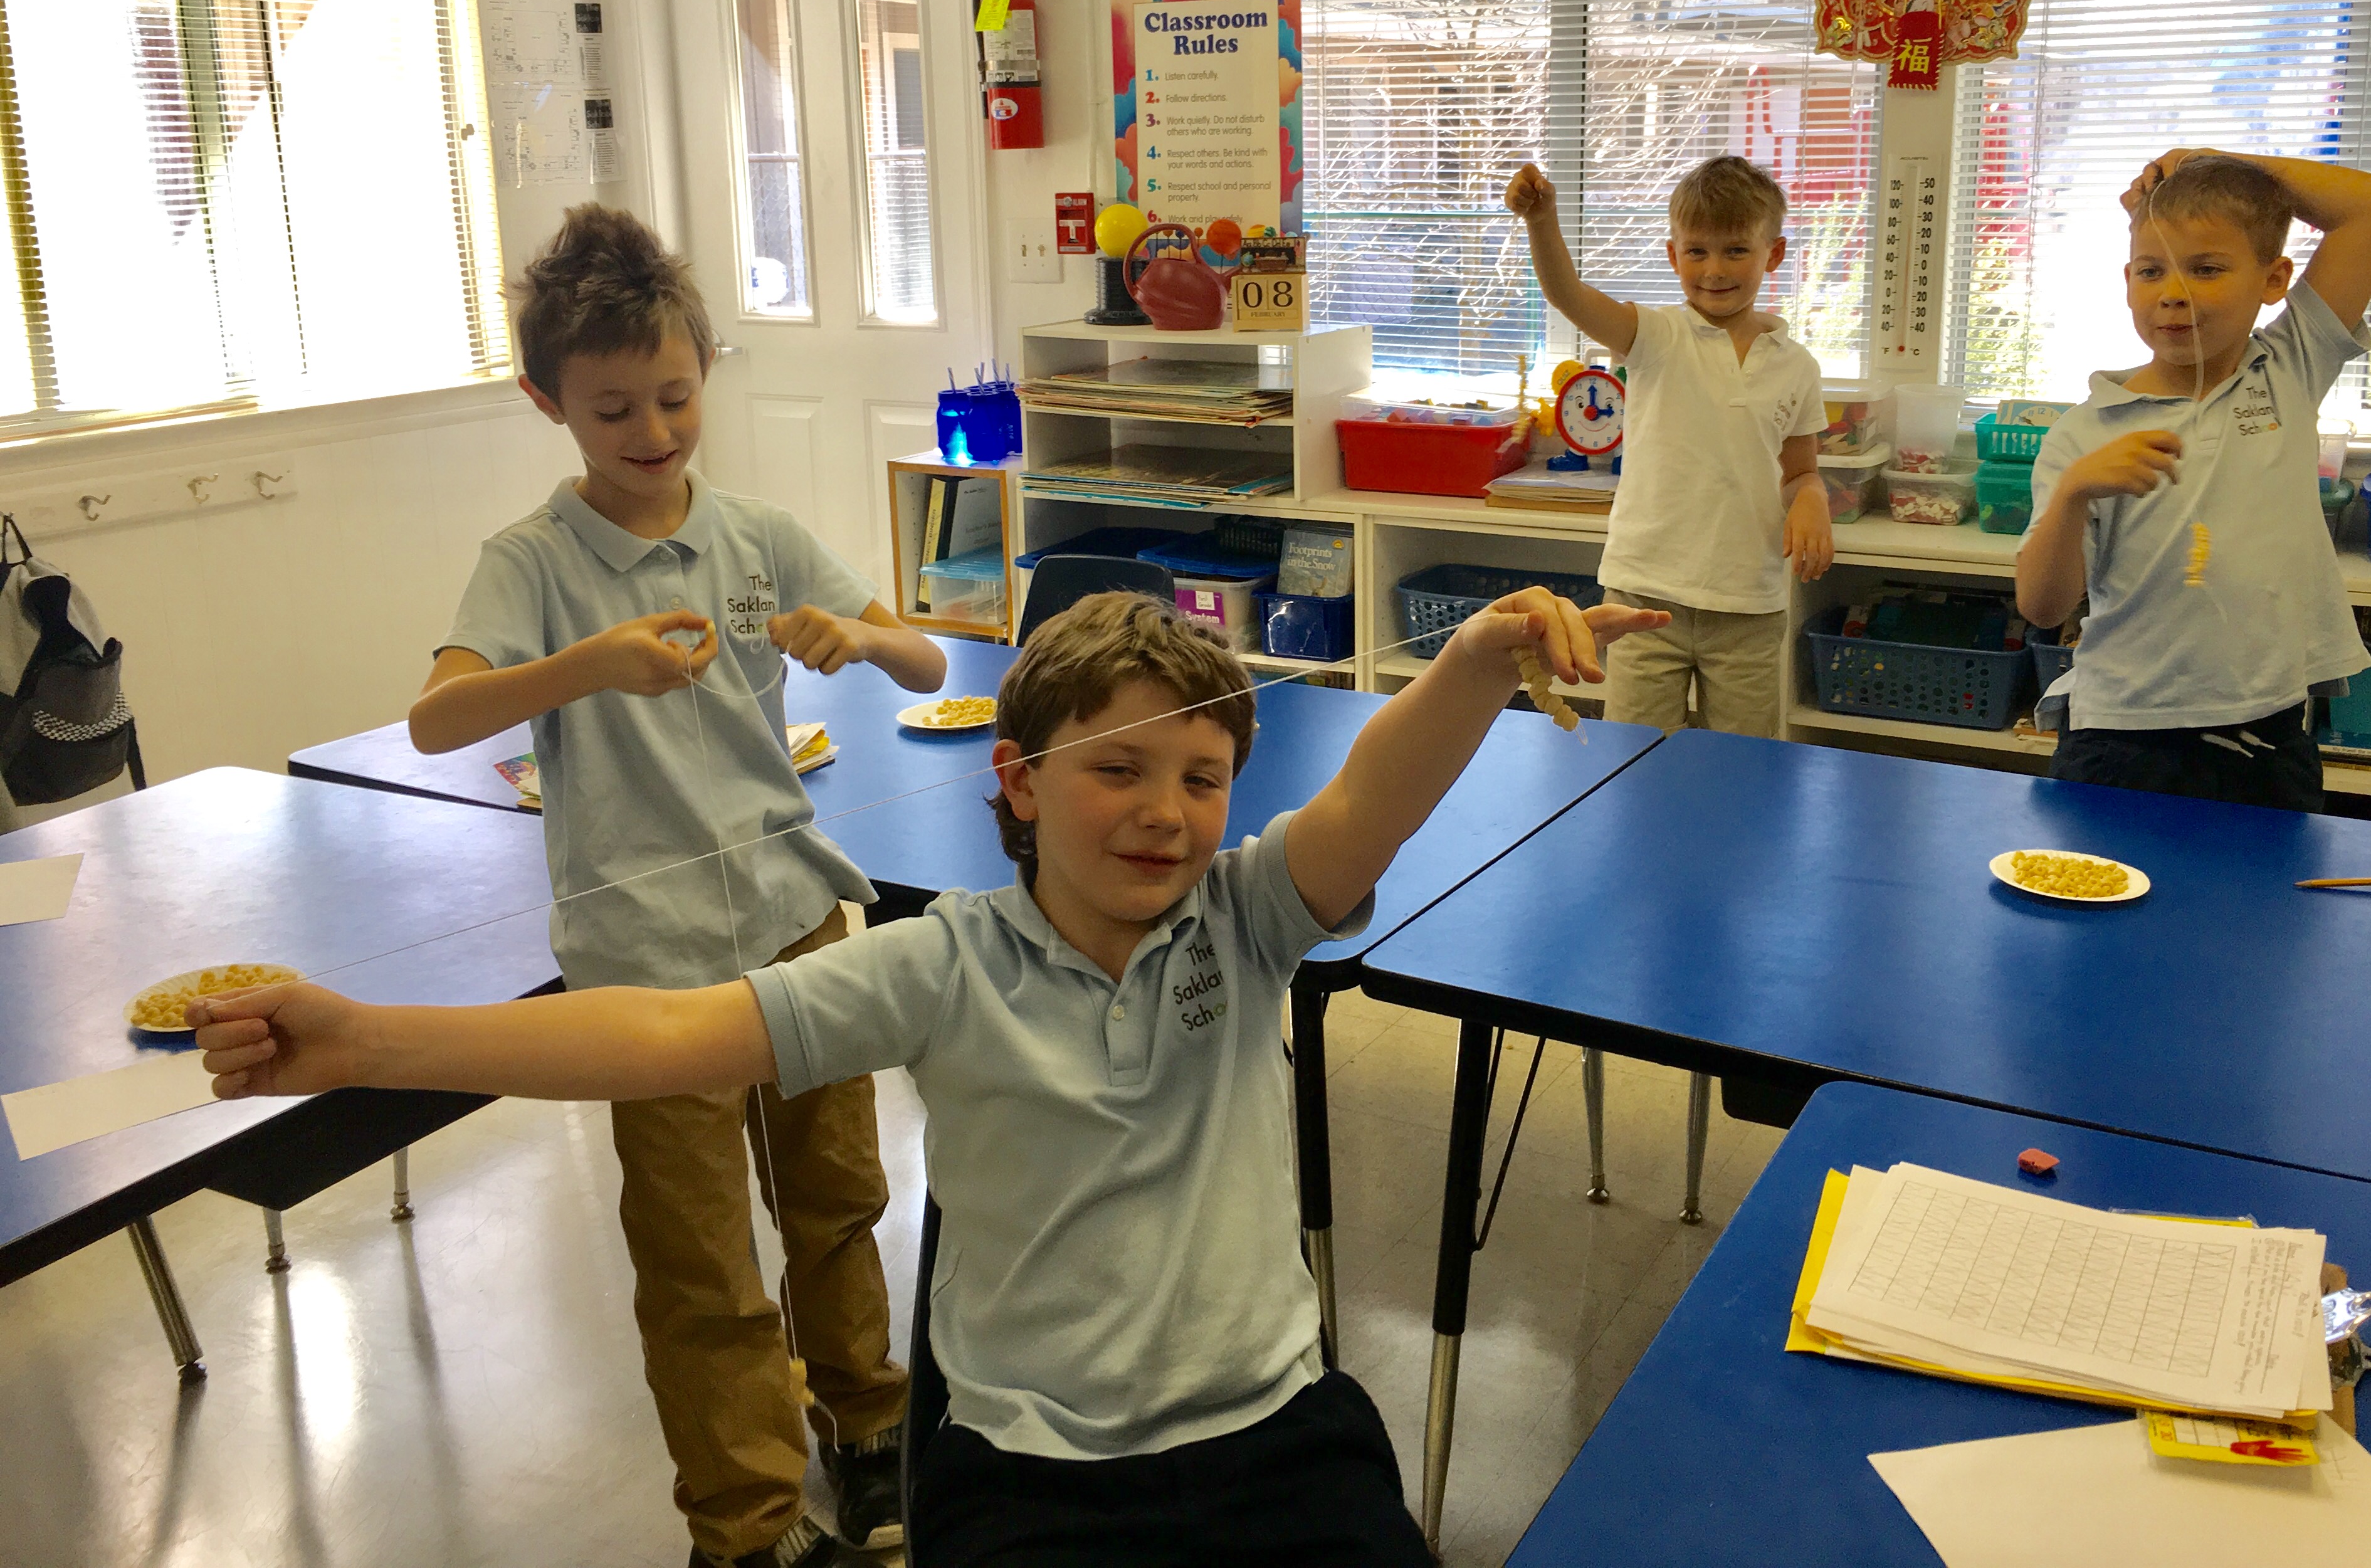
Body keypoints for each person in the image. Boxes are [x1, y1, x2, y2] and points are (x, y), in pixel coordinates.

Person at [193, 587, 1665, 1567]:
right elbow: (668, 1036)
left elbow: (1375, 795)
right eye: (1119, 769)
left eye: (1202, 779)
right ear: (1018, 779)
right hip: (1034, 1480)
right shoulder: (942, 963)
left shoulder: (1250, 915)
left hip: (1276, 1438)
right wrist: (373, 1042)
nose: (1165, 813)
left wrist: (1476, 661)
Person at [409, 204, 947, 1567]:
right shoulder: (531, 564)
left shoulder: (756, 533)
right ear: (546, 402)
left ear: (706, 368)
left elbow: (929, 662)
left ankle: (868, 1428)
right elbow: (437, 718)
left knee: (838, 1200)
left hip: (797, 927)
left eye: (673, 395)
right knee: (699, 1256)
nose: (651, 431)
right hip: (643, 965)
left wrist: (860, 636)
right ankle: (746, 1521)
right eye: (612, 410)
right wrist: (586, 665)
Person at [2016, 149, 2371, 809]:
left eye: (2207, 269)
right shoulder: (2085, 432)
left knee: (2267, 881)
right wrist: (2074, 494)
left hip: (2269, 732)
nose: (2173, 292)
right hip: (2123, 737)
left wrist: (2212, 162)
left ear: (2274, 279)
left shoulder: (2288, 368)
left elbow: (2366, 205)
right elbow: (2043, 608)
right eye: (2151, 271)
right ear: (2128, 281)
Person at [1505, 154, 1832, 737]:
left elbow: (1800, 471)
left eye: (1736, 250)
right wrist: (1542, 220)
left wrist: (1813, 498)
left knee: (1742, 765)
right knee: (1633, 756)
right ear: (1673, 255)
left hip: (1749, 606)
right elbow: (1567, 294)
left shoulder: (1797, 365)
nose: (1715, 269)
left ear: (1774, 254)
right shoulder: (1655, 335)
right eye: (1697, 251)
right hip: (1644, 596)